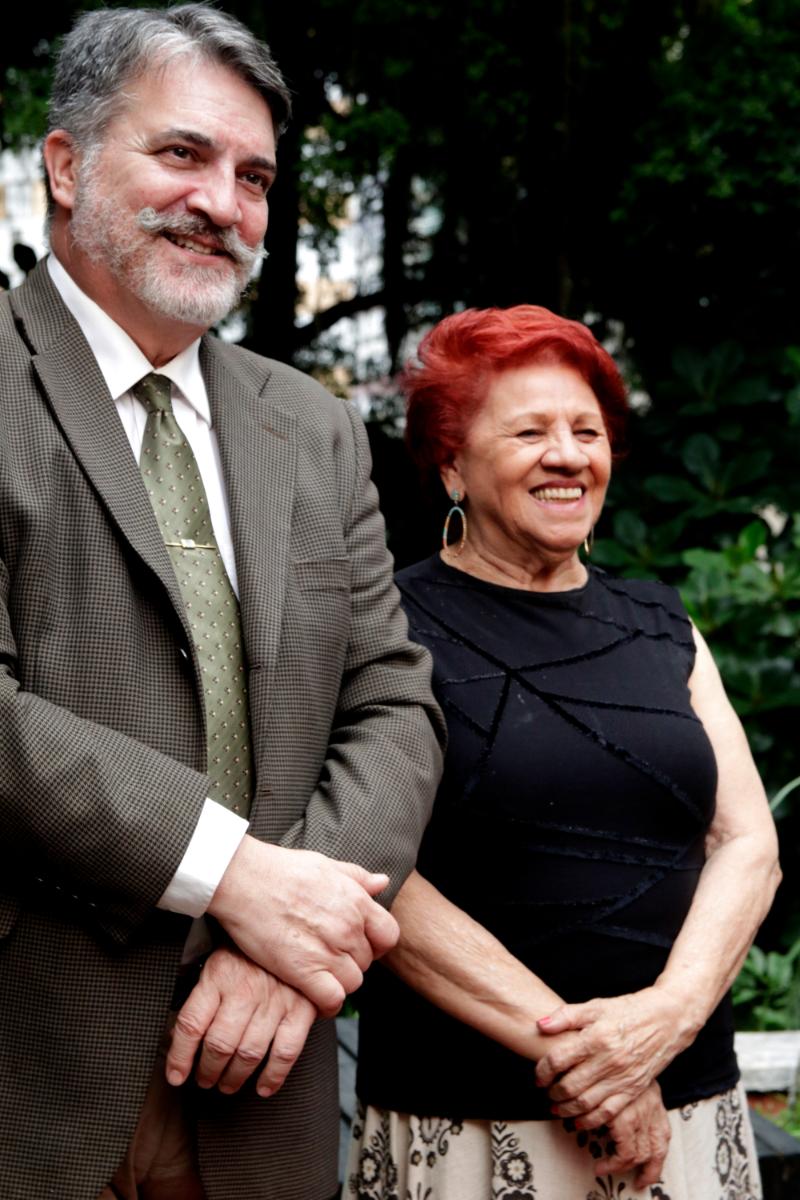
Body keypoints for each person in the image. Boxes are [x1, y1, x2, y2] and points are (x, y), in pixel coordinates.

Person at [0, 7, 444, 1199]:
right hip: (29, 1066)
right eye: (183, 154)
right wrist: (233, 875)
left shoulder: (312, 426)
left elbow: (394, 705)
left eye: (252, 177)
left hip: (261, 1088)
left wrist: (287, 940)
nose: (223, 204)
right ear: (65, 164)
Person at [348, 305, 780, 1200]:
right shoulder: (385, 625)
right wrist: (600, 1066)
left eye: (587, 431)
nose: (568, 455)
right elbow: (372, 866)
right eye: (529, 432)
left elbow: (747, 842)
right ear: (451, 463)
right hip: (474, 1122)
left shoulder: (661, 621)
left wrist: (663, 1023)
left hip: (689, 1100)